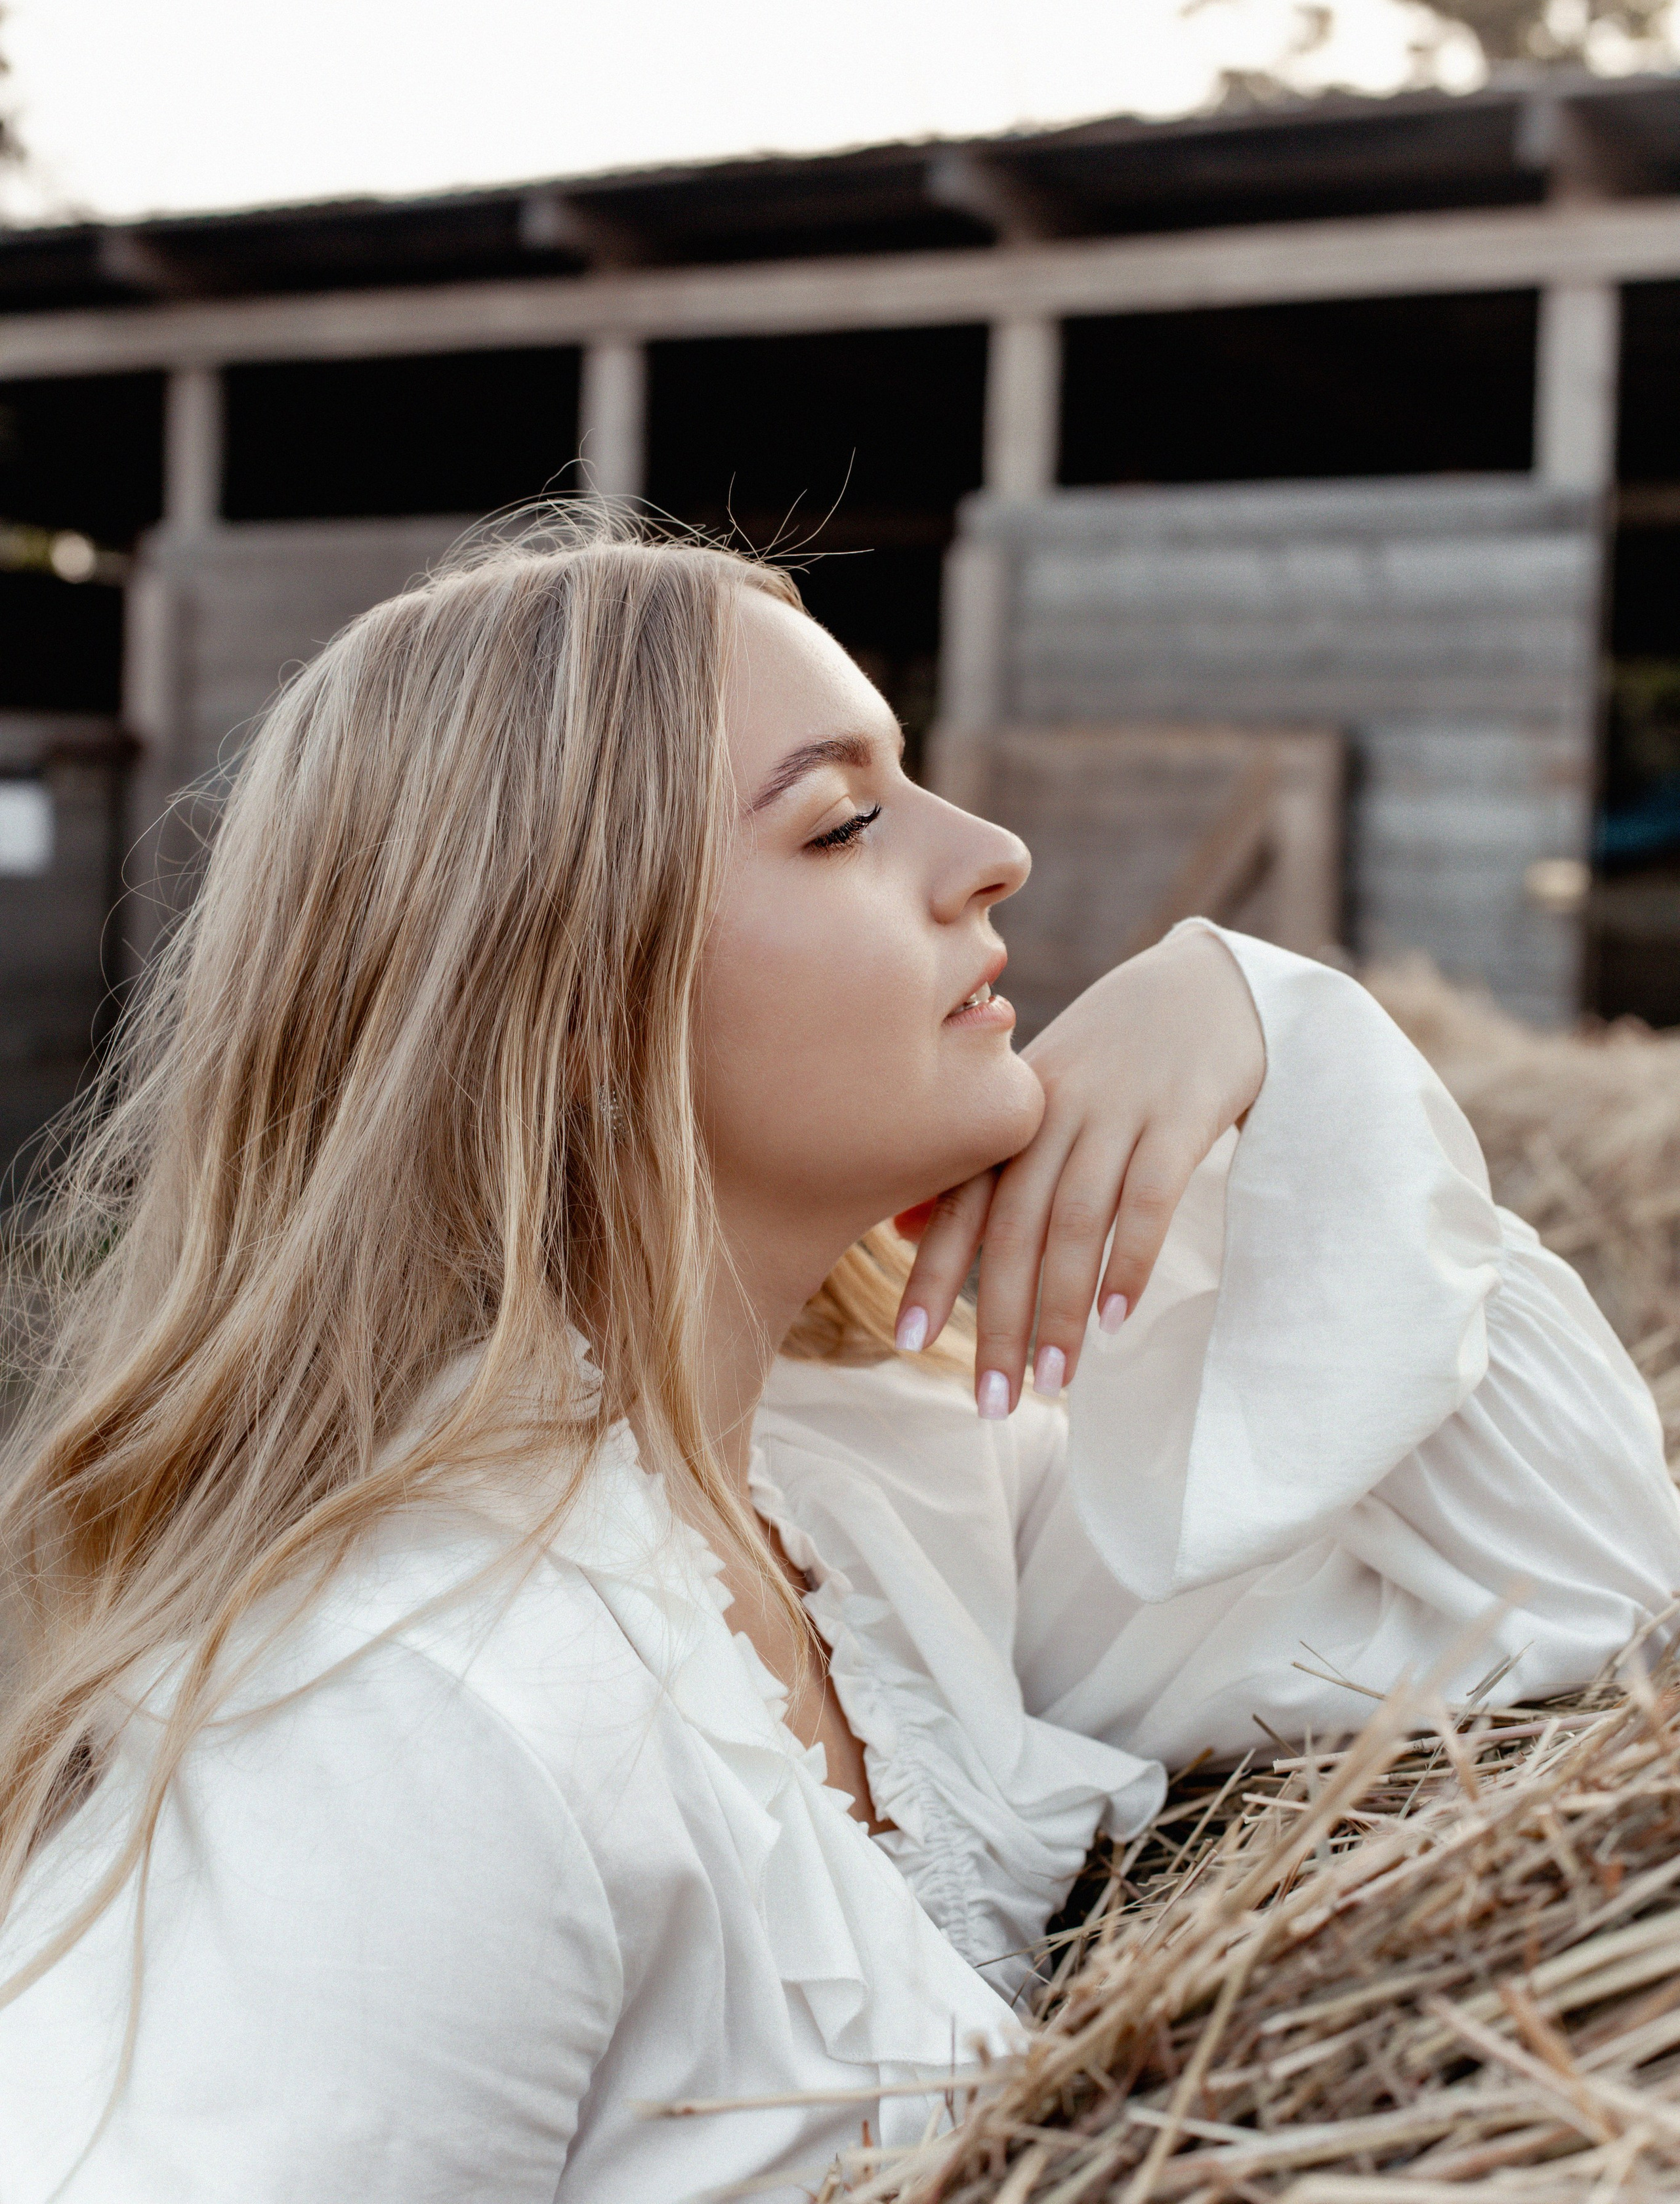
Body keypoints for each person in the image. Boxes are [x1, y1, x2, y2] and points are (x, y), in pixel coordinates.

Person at [1, 513, 1676, 2204]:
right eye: (846, 822)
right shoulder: (414, 1715)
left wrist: (1282, 1024)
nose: (998, 850)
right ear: (582, 1019)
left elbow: (1583, 1589)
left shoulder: (871, 1501)